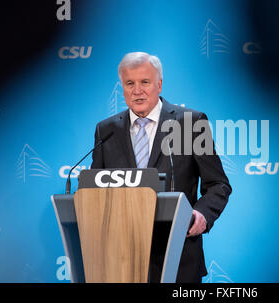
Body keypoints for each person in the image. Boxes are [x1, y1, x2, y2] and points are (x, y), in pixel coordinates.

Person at [91, 52, 232, 282]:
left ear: (159, 84)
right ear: (122, 87)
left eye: (144, 82)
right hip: (121, 261)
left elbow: (218, 183)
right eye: (130, 83)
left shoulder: (190, 123)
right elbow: (93, 190)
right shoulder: (105, 130)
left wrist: (202, 215)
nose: (137, 91)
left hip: (178, 257)